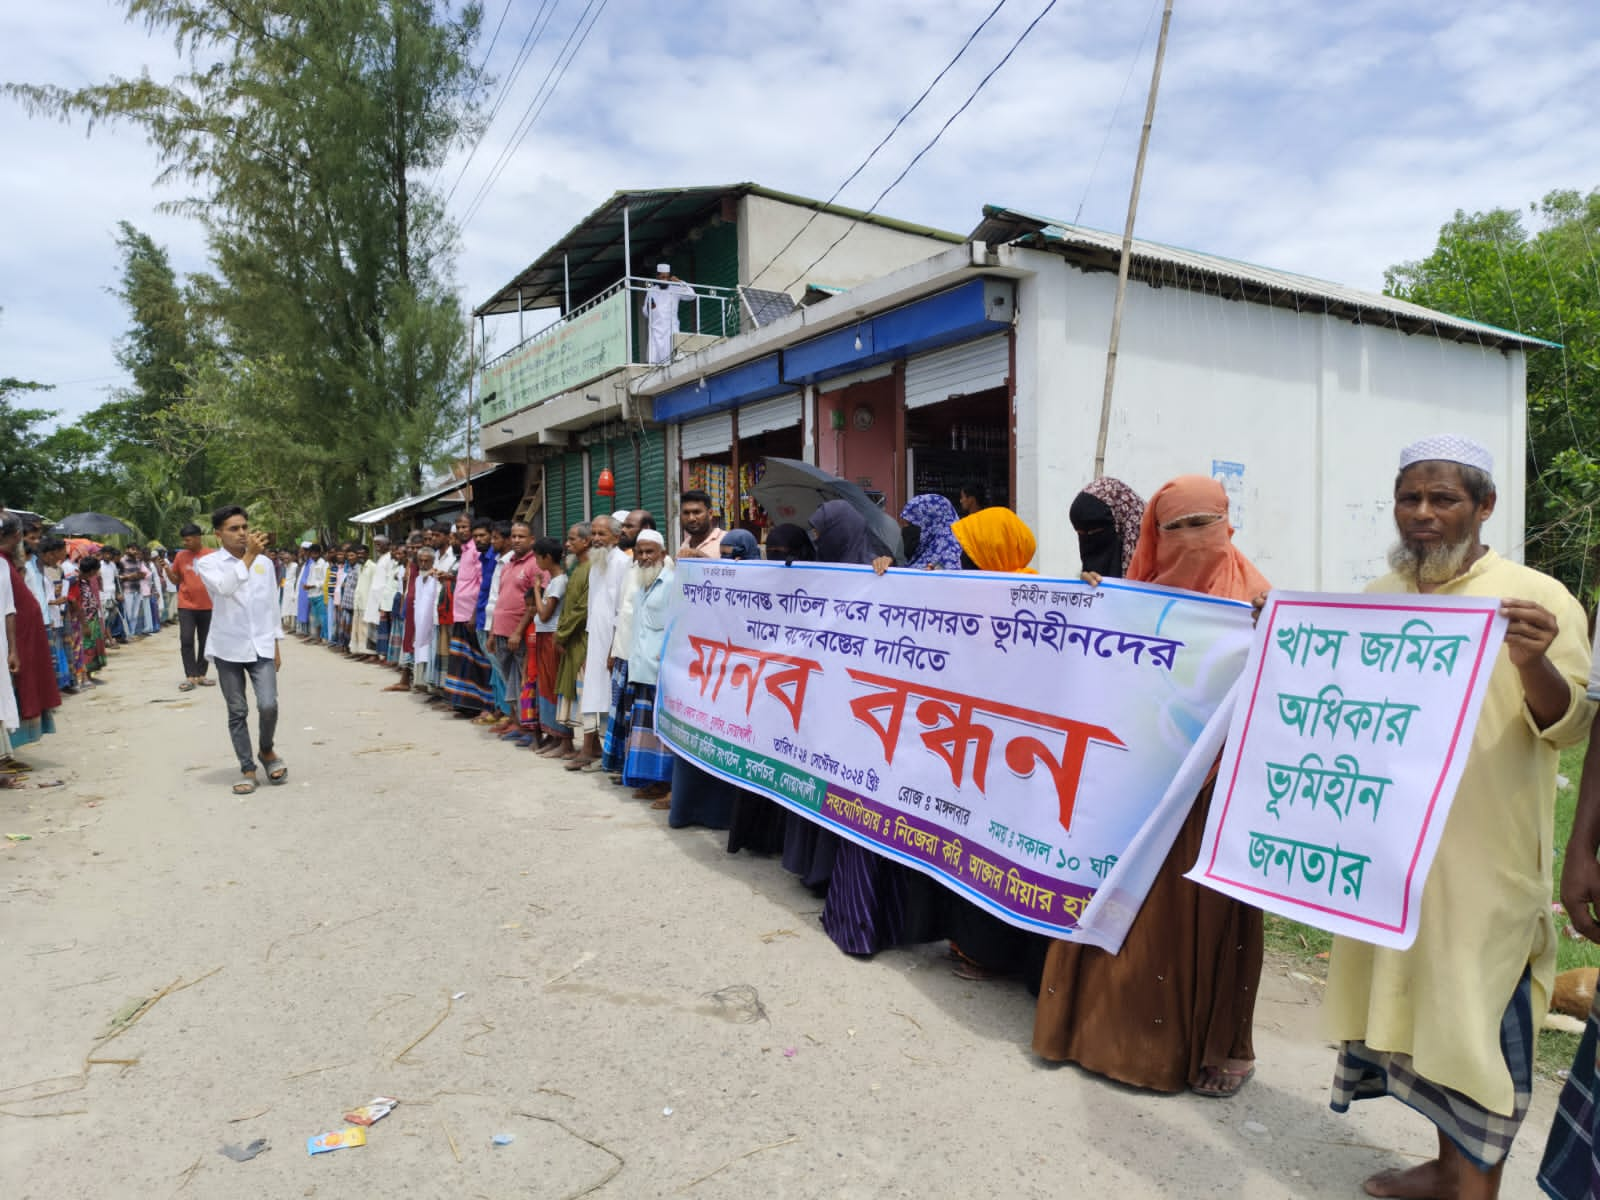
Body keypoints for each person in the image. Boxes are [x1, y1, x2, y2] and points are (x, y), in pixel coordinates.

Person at [1317, 438, 1593, 1200]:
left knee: (1477, 1027)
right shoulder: (1379, 596)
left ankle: (1473, 1189)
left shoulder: (1536, 600)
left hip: (1485, 862)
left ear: (1484, 506)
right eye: (1411, 499)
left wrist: (1532, 662)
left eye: (1443, 499)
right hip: (1392, 859)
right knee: (1416, 1018)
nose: (1425, 514)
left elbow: (1569, 727)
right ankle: (1446, 1169)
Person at [1032, 474, 1269, 1098]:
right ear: (1153, 533)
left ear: (1228, 526)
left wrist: (1273, 631)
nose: (1191, 539)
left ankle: (1220, 1048)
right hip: (1135, 778)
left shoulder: (1258, 600)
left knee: (1201, 917)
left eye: (1204, 523)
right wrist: (1092, 606)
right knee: (1120, 903)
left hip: (1211, 789)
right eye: (1175, 527)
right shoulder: (1131, 595)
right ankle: (1096, 1035)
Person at [196, 505, 286, 795]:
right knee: (237, 710)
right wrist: (249, 556)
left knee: (268, 704)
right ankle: (247, 768)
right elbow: (224, 588)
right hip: (228, 646)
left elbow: (271, 604)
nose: (242, 533)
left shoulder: (265, 564)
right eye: (234, 529)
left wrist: (275, 643)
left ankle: (267, 750)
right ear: (218, 534)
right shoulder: (209, 564)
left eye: (245, 527)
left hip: (260, 643)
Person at [620, 531, 677, 809]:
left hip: (661, 670)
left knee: (665, 733)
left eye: (649, 552)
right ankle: (655, 782)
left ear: (663, 554)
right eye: (640, 552)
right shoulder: (642, 584)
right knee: (646, 731)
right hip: (641, 669)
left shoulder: (672, 584)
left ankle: (671, 787)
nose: (643, 557)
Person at [0, 512, 61, 764]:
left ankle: (6, 753)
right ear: (17, 536)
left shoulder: (8, 565)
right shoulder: (4, 564)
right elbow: (10, 609)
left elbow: (11, 608)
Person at [573, 515, 628, 770]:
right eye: (593, 533)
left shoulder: (622, 563)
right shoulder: (597, 562)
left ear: (616, 537)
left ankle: (614, 756)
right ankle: (598, 751)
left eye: (601, 534)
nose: (595, 538)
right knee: (595, 696)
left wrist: (612, 649)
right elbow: (594, 607)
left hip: (612, 644)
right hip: (595, 640)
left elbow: (622, 611)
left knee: (611, 699)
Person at [554, 523, 593, 755]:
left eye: (571, 539)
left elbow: (582, 608)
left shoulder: (590, 569)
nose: (567, 544)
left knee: (585, 695)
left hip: (582, 641)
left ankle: (588, 748)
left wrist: (562, 633)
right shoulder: (577, 568)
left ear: (585, 542)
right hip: (571, 639)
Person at [166, 522, 215, 692]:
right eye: (184, 541)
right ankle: (190, 676)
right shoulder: (180, 556)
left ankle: (201, 674)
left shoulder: (211, 555)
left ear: (197, 537)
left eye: (187, 540)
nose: (184, 544)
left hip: (208, 605)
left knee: (205, 641)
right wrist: (166, 570)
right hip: (186, 605)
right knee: (186, 639)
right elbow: (176, 580)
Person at [1070, 476, 1145, 584]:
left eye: (1095, 532)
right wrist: (1084, 589)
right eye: (1080, 534)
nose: (1089, 543)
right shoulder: (1088, 578)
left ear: (1122, 525)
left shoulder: (1157, 567)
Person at [643, 263, 694, 364]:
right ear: (657, 277)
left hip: (671, 328)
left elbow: (692, 295)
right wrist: (650, 307)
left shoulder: (675, 288)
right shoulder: (651, 291)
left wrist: (680, 282)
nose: (665, 280)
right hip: (656, 330)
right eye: (662, 277)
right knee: (655, 362)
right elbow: (645, 312)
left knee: (671, 357)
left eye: (667, 277)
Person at [677, 489, 724, 559]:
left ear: (710, 514)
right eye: (686, 513)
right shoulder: (685, 545)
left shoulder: (726, 540)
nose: (691, 518)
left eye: (697, 512)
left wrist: (703, 557)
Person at [302, 544, 327, 644]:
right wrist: (307, 585)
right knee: (314, 618)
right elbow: (310, 578)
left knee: (321, 617)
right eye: (311, 553)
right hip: (312, 595)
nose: (313, 556)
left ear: (319, 553)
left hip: (319, 594)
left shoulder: (324, 564)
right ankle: (315, 637)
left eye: (315, 554)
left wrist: (312, 586)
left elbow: (324, 581)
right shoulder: (312, 564)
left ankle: (322, 638)